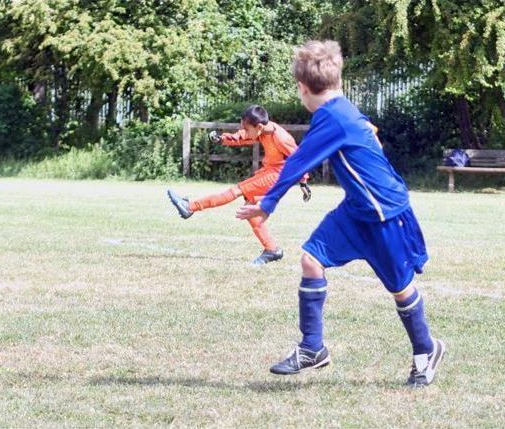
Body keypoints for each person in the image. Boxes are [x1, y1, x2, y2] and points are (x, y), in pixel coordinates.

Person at [235, 40, 445, 387]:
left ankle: (426, 350)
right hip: (356, 210)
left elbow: (298, 162)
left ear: (302, 88)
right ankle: (312, 347)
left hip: (385, 213)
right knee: (311, 260)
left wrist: (267, 204)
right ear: (338, 80)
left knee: (401, 289)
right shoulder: (341, 110)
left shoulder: (332, 117)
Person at [167, 105, 310, 265]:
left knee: (236, 190)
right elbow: (243, 136)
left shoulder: (281, 138)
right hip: (268, 172)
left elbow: (300, 159)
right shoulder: (262, 131)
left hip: (276, 175)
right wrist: (222, 138)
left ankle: (190, 207)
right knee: (250, 211)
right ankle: (272, 250)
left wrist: (303, 182)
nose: (244, 130)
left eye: (246, 128)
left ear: (259, 127)